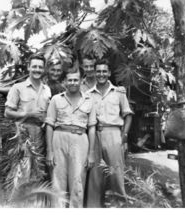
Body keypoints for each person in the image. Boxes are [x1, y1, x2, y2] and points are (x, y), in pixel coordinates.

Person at [45, 69, 96, 208]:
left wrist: (91, 153)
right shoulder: (56, 99)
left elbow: (92, 127)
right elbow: (49, 125)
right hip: (59, 138)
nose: (73, 83)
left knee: (78, 181)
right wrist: (49, 151)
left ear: (80, 81)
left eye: (76, 80)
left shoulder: (89, 100)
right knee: (57, 180)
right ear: (64, 82)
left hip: (80, 140)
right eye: (70, 80)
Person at [86, 59, 133, 207]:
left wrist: (124, 136)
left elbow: (128, 115)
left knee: (116, 173)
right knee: (94, 175)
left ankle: (119, 205)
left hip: (113, 134)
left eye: (104, 71)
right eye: (98, 71)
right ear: (95, 73)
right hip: (94, 135)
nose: (101, 74)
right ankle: (94, 207)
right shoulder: (88, 94)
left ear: (109, 73)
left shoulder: (118, 92)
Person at [5, 54, 51, 180]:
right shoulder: (18, 88)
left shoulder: (47, 89)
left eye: (40, 67)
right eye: (34, 66)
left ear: (44, 69)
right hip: (22, 134)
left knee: (39, 171)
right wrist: (27, 114)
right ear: (28, 67)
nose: (37, 70)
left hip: (41, 135)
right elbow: (7, 113)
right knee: (22, 170)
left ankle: (35, 199)